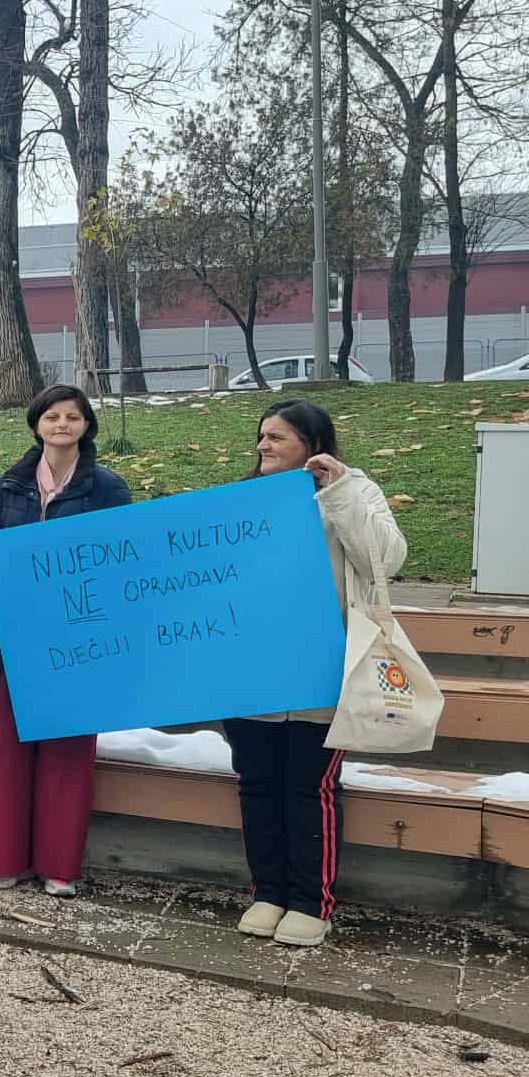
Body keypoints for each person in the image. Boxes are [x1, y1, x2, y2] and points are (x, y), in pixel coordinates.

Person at [223, 398, 405, 950]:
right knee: (256, 785)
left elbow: (386, 560)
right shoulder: (240, 499)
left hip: (321, 672)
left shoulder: (355, 491)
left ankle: (311, 902)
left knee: (310, 787)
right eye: (262, 436)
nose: (264, 446)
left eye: (276, 437)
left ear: (311, 442)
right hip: (250, 672)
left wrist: (339, 491)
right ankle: (268, 892)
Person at [0, 384, 133, 898]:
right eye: (52, 416)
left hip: (78, 636)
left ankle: (60, 868)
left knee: (67, 751)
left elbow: (124, 552)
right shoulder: (12, 483)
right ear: (37, 424)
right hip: (18, 633)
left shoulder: (107, 487)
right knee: (11, 751)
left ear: (87, 426)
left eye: (73, 417)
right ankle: (6, 862)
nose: (62, 425)